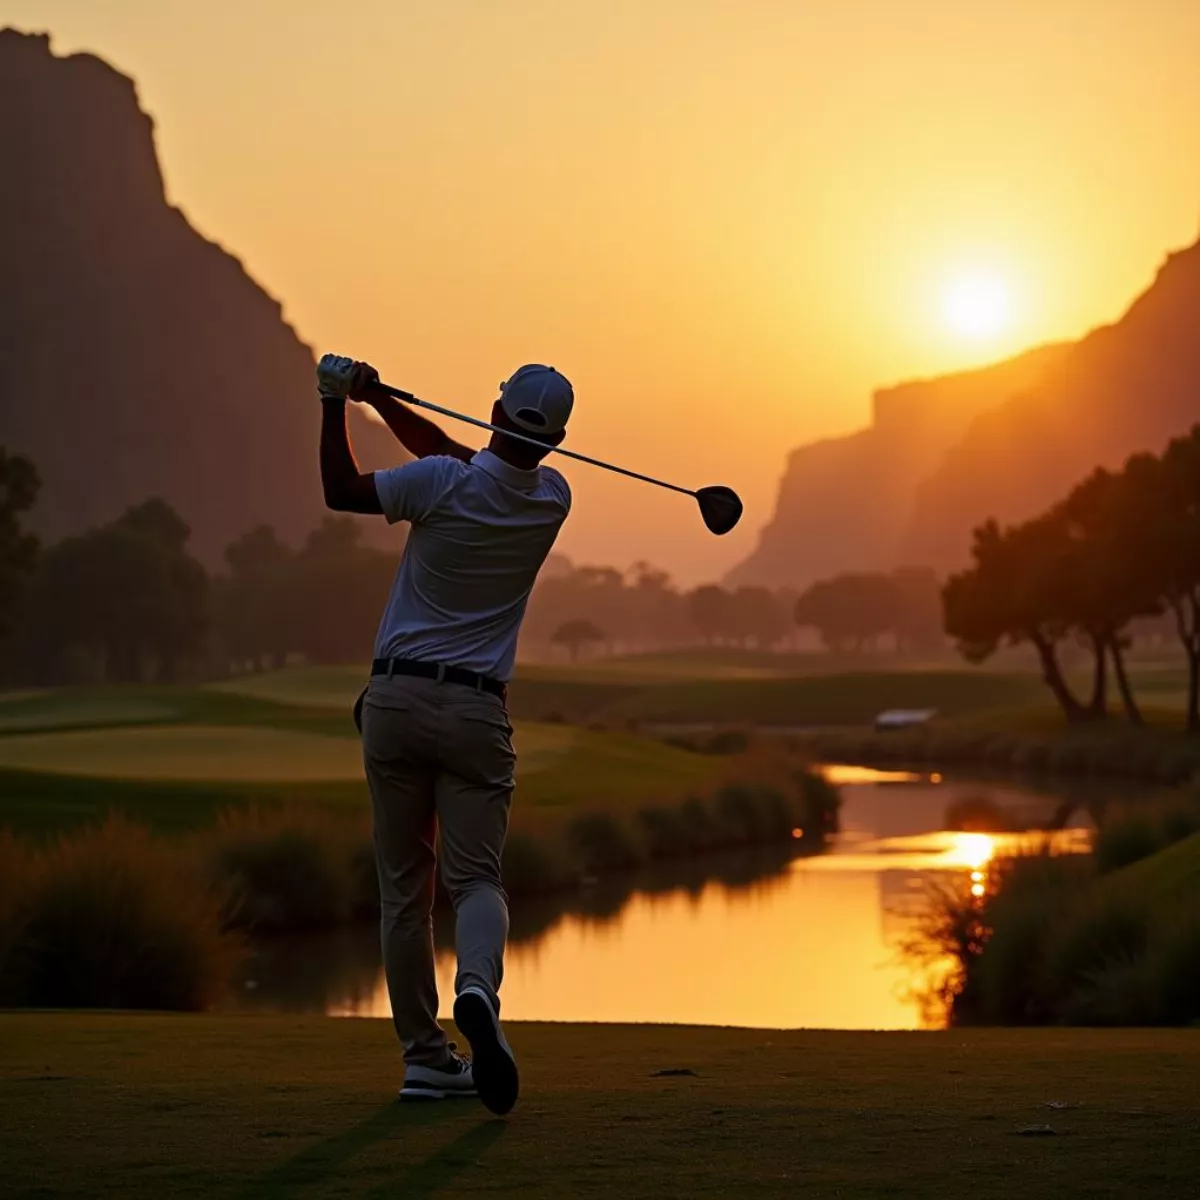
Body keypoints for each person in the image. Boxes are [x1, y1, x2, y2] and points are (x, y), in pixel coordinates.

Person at [315, 353, 574, 1116]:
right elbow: (468, 461)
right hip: (474, 712)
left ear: (495, 414)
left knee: (405, 892)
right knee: (476, 882)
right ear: (555, 440)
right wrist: (384, 401)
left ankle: (425, 1060)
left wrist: (338, 403)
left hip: (394, 700)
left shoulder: (438, 485)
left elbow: (342, 492)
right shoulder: (553, 498)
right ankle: (477, 988)